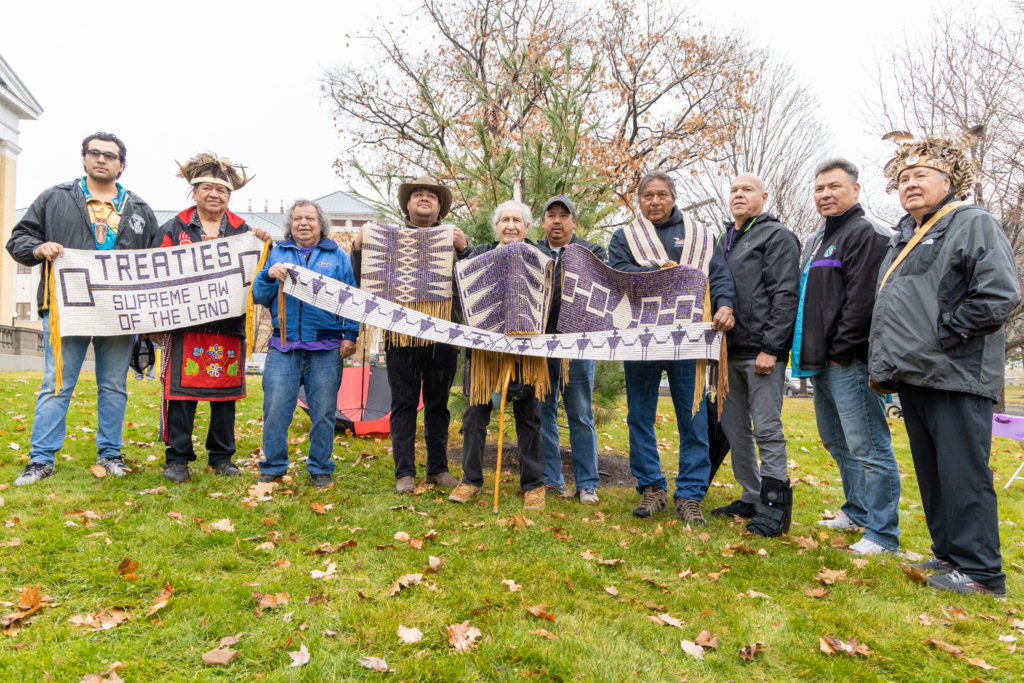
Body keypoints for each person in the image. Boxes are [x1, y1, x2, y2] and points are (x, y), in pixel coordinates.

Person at [870, 129, 1020, 596]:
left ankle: (982, 573)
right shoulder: (907, 233)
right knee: (934, 473)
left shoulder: (971, 222)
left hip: (956, 371)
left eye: (922, 175)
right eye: (904, 177)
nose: (910, 184)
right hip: (916, 373)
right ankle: (949, 554)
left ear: (949, 180)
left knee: (963, 473)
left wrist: (947, 334)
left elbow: (1000, 294)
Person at [6, 132, 161, 486]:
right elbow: (19, 239)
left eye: (110, 156)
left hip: (119, 312)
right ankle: (40, 460)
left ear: (122, 166)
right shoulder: (54, 198)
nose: (102, 159)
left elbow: (156, 260)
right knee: (57, 384)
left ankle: (110, 455)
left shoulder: (139, 209)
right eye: (95, 153)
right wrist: (39, 248)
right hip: (65, 307)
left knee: (113, 385)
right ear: (84, 158)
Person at [608, 171, 735, 524]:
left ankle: (690, 494)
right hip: (641, 338)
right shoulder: (625, 237)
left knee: (692, 417)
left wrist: (725, 304)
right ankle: (651, 489)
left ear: (673, 197)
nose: (655, 201)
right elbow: (620, 273)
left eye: (662, 194)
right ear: (639, 200)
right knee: (639, 416)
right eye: (648, 195)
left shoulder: (699, 234)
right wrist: (666, 273)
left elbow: (718, 275)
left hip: (689, 337)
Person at [789, 159, 900, 554]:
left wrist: (841, 352)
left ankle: (883, 535)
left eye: (834, 187)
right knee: (837, 442)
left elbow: (862, 302)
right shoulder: (821, 237)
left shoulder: (867, 233)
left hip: (847, 362)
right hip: (819, 362)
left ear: (855, 189)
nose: (825, 194)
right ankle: (856, 511)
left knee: (869, 447)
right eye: (820, 188)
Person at [350, 175, 471, 494]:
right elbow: (363, 274)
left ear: (439, 206)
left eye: (431, 195)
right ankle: (404, 472)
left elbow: (472, 280)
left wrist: (465, 249)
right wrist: (359, 247)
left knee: (438, 405)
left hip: (443, 333)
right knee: (403, 404)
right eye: (417, 194)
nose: (424, 198)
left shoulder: (452, 239)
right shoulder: (387, 239)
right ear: (407, 204)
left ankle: (437, 469)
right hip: (400, 334)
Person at [158, 153, 271, 483]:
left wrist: (264, 245)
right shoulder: (174, 228)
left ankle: (221, 457)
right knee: (181, 396)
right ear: (194, 192)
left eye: (221, 191)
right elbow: (153, 274)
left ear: (228, 197)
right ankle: (177, 459)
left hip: (226, 329)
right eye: (206, 188)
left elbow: (261, 272)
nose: (214, 195)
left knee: (225, 398)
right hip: (185, 327)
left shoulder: (243, 231)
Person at [711, 173, 800, 538]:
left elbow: (785, 294)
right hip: (727, 353)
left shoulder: (776, 236)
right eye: (733, 190)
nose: (738, 195)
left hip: (761, 352)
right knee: (733, 428)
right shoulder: (723, 240)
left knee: (766, 428)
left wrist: (773, 348)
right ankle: (751, 495)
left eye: (747, 190)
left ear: (764, 196)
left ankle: (775, 505)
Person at [252, 200, 359, 487]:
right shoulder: (276, 253)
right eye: (297, 218)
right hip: (283, 346)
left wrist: (350, 335)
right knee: (275, 410)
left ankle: (320, 467)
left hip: (325, 347)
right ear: (290, 224)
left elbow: (351, 298)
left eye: (310, 218)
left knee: (323, 412)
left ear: (321, 224)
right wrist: (267, 275)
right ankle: (273, 467)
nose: (303, 223)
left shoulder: (338, 256)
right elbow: (259, 297)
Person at [448, 200, 547, 510]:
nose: (511, 225)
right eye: (504, 220)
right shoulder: (481, 255)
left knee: (529, 419)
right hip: (485, 355)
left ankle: (533, 486)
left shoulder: (539, 258)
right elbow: (461, 284)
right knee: (475, 416)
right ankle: (471, 480)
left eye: (517, 220)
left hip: (528, 354)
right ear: (496, 226)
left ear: (528, 227)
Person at [535, 195, 605, 504]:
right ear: (543, 223)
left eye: (564, 215)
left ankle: (587, 483)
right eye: (552, 215)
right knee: (543, 412)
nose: (558, 220)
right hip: (539, 346)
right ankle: (551, 479)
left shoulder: (592, 252)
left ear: (574, 222)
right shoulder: (532, 252)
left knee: (580, 414)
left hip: (577, 348)